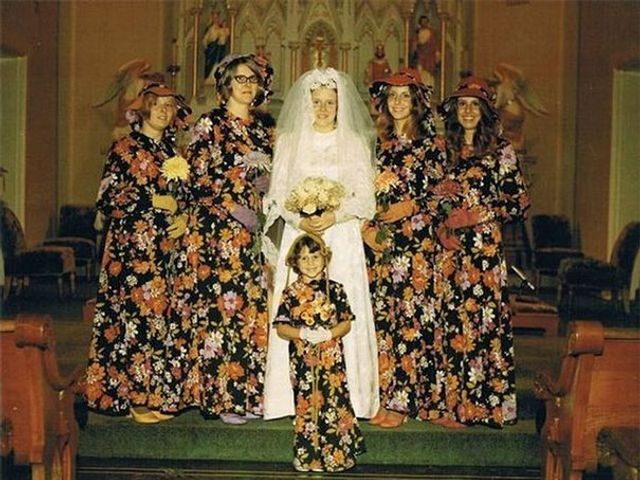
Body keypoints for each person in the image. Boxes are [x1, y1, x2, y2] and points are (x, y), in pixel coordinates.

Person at [263, 68, 380, 420]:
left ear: (340, 104)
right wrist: (301, 220)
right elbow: (278, 195)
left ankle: (351, 397)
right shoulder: (289, 140)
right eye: (317, 102)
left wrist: (335, 214)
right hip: (300, 234)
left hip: (341, 234)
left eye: (330, 102)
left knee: (342, 305)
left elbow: (366, 199)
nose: (324, 109)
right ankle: (289, 398)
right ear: (306, 103)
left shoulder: (354, 142)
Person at [85, 83, 192, 424]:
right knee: (135, 321)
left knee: (161, 322)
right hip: (132, 250)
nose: (163, 110)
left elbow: (185, 197)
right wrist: (151, 200)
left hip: (166, 251)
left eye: (169, 105)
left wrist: (183, 217)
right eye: (156, 104)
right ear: (144, 108)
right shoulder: (125, 147)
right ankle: (132, 397)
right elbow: (107, 198)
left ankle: (156, 394)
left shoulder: (175, 153)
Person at [431, 76, 531, 428]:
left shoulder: (501, 151)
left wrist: (478, 215)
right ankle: (453, 406)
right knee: (452, 322)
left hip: (483, 251)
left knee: (482, 323)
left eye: (475, 105)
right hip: (450, 251)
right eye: (462, 105)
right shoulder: (444, 150)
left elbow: (519, 202)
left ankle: (483, 407)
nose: (468, 111)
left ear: (485, 111)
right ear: (454, 111)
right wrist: (442, 227)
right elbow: (433, 199)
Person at [183, 53, 274, 424]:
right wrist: (233, 206)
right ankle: (223, 398)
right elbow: (197, 176)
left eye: (252, 79)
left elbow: (266, 176)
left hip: (253, 232)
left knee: (250, 311)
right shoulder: (211, 123)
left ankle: (248, 393)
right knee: (223, 311)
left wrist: (267, 186)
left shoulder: (261, 129)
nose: (247, 85)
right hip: (218, 230)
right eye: (240, 79)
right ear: (225, 85)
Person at [362, 68, 445, 428]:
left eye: (404, 96)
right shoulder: (377, 146)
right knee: (384, 320)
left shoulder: (432, 146)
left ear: (416, 103)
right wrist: (367, 225)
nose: (397, 102)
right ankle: (383, 395)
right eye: (392, 96)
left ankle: (406, 401)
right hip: (381, 245)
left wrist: (408, 207)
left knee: (411, 320)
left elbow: (443, 196)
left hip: (416, 245)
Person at [274, 233, 365, 473]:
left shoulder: (335, 289)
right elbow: (281, 328)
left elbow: (346, 323)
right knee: (307, 403)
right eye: (304, 258)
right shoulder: (290, 293)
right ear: (296, 262)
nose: (310, 262)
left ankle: (337, 456)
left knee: (334, 402)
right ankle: (307, 456)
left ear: (324, 258)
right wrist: (301, 333)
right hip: (303, 360)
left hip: (331, 359)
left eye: (315, 256)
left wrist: (329, 334)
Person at [411, 15, 440, 87]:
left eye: (425, 22)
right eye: (422, 22)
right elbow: (415, 44)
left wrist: (437, 55)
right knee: (420, 71)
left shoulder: (431, 32)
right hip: (420, 55)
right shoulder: (417, 32)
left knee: (429, 74)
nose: (424, 23)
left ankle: (429, 87)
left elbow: (435, 44)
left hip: (429, 56)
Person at [203, 11, 230, 82]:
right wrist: (208, 45)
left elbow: (225, 38)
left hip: (220, 49)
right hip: (212, 49)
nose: (216, 20)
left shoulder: (222, 29)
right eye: (214, 18)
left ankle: (217, 76)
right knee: (210, 63)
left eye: (217, 18)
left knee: (219, 62)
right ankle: (209, 76)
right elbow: (205, 40)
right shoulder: (210, 29)